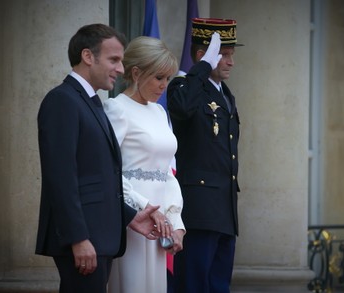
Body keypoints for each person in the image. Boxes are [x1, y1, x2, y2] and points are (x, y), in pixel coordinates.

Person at [35, 24, 160, 293]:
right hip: (84, 240)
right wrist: (78, 238)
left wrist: (129, 216)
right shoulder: (62, 100)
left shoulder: (91, 102)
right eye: (113, 60)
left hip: (101, 236)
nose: (121, 69)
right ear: (88, 57)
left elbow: (100, 176)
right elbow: (61, 177)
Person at [103, 36, 186, 293]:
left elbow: (167, 172)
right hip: (132, 219)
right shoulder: (116, 108)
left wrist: (176, 221)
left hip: (161, 224)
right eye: (158, 78)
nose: (164, 86)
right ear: (136, 73)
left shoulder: (159, 112)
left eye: (168, 79)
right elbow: (108, 169)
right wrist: (144, 208)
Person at [167, 18, 244, 293]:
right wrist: (201, 69)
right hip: (199, 209)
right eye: (224, 55)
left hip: (223, 209)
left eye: (231, 55)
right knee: (194, 284)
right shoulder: (184, 86)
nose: (231, 62)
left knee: (218, 285)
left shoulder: (225, 94)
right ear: (203, 56)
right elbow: (180, 107)